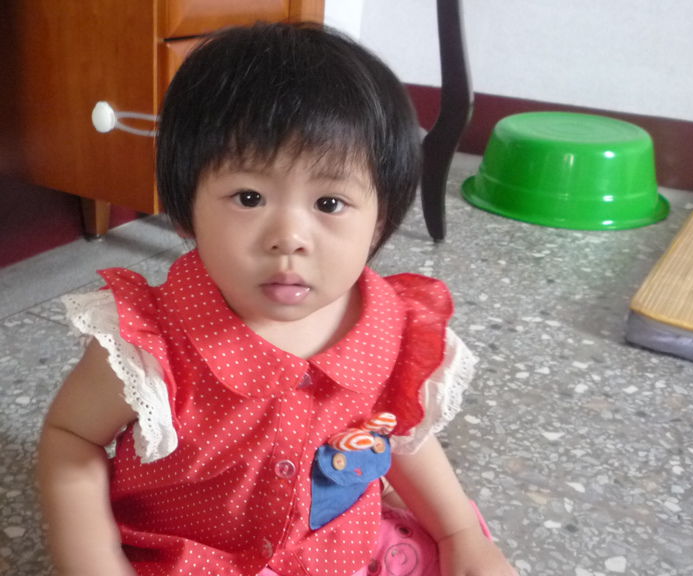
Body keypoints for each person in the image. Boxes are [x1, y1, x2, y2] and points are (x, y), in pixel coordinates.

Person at [37, 21, 516, 576]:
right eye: (249, 197)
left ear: (380, 219)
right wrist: (95, 561)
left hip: (335, 546)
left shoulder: (389, 326)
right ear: (186, 209)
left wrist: (458, 532)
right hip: (190, 558)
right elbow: (71, 438)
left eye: (330, 203)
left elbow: (397, 432)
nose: (289, 237)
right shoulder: (150, 341)